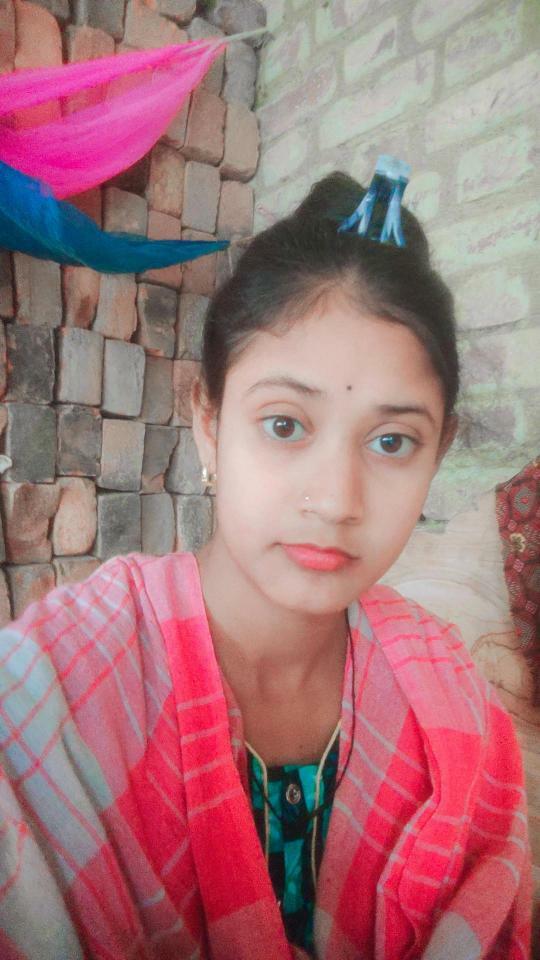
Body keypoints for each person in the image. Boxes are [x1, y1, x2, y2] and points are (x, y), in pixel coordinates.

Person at [0, 166, 531, 960]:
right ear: (209, 424)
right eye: (285, 425)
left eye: (392, 441)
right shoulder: (59, 692)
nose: (337, 499)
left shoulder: (456, 709)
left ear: (438, 451)